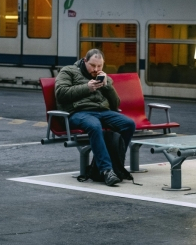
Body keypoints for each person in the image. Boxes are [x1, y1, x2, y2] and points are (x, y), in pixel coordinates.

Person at [55, 48, 136, 186]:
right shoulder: (68, 71)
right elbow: (61, 93)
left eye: (99, 66)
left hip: (102, 111)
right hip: (77, 112)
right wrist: (87, 87)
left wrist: (107, 86)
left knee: (128, 124)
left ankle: (116, 166)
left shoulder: (103, 77)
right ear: (85, 61)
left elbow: (116, 104)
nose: (96, 69)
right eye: (93, 65)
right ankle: (106, 170)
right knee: (94, 125)